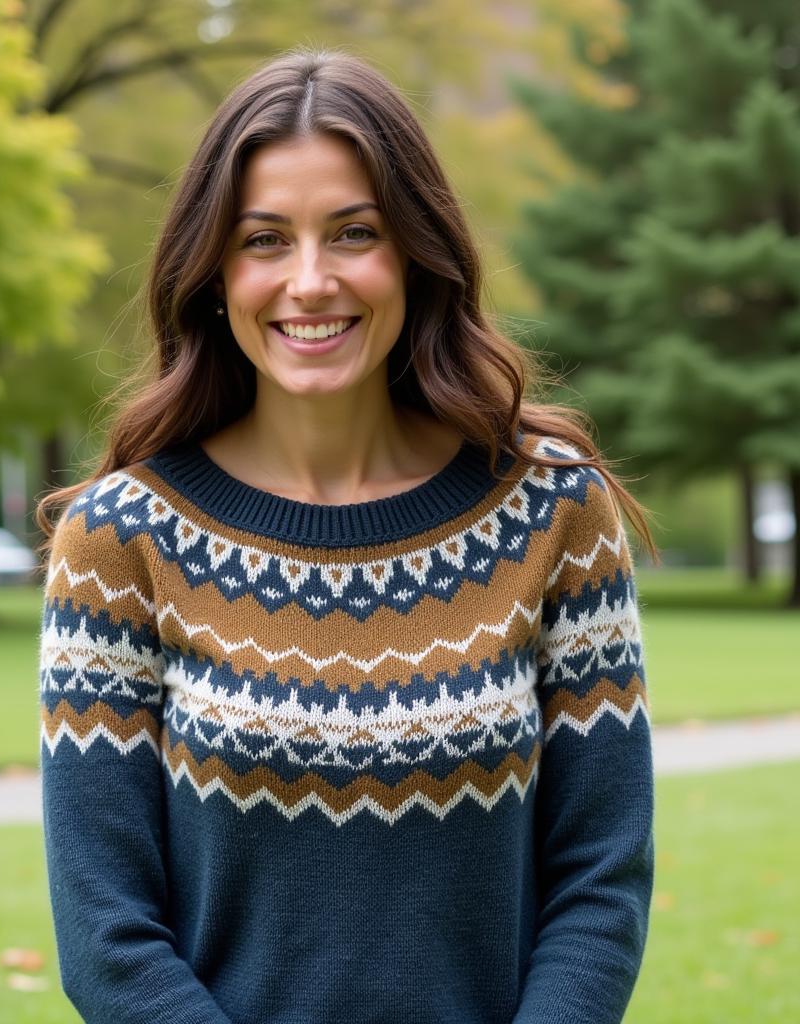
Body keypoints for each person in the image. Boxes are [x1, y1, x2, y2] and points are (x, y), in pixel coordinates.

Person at [36, 48, 658, 1024]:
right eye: (266, 239)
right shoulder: (119, 538)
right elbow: (106, 934)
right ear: (213, 267)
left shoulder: (554, 510)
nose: (311, 280)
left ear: (415, 251)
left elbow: (599, 884)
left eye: (354, 232)